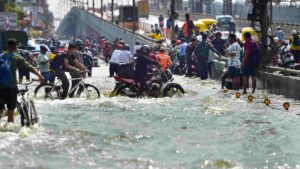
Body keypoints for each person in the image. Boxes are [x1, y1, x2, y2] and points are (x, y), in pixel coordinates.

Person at [0, 38, 44, 123]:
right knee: (10, 111)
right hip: (11, 87)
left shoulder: (1, 56)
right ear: (15, 47)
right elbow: (28, 67)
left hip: (0, 87)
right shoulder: (16, 57)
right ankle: (9, 128)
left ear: (7, 46)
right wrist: (39, 75)